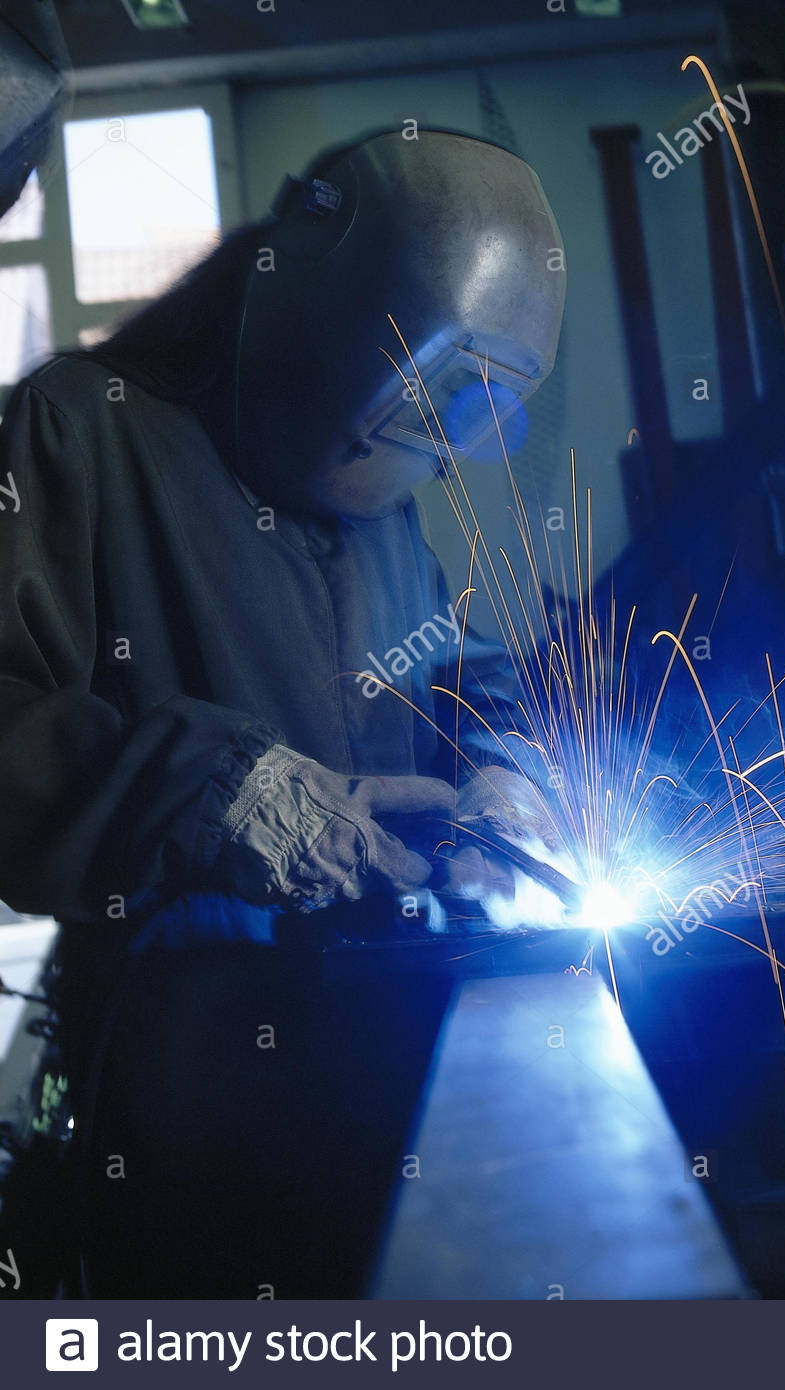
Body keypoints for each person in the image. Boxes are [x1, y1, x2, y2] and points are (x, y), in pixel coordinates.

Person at [0, 130, 565, 1295]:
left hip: (390, 1057)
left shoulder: (382, 508)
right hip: (178, 1097)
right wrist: (219, 793)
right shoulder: (80, 431)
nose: (419, 467)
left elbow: (451, 665)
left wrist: (502, 761)